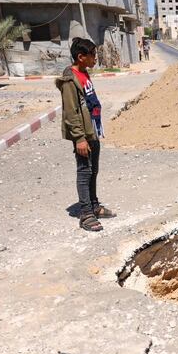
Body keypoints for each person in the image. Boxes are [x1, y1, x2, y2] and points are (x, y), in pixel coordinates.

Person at [55, 37, 116, 232]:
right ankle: (86, 214)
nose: (95, 59)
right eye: (93, 56)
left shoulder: (83, 73)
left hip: (92, 130)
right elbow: (71, 112)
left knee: (93, 170)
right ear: (81, 57)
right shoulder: (69, 79)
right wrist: (79, 138)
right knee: (84, 172)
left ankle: (94, 206)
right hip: (83, 134)